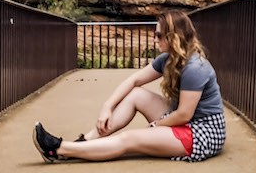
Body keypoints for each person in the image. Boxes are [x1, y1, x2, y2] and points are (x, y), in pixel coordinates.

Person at [33, 10, 226, 163]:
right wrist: (106, 107)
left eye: (159, 35)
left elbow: (184, 115)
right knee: (136, 94)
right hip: (185, 121)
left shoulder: (195, 67)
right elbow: (134, 80)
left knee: (129, 139)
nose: (155, 39)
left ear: (173, 37)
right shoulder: (169, 59)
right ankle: (86, 143)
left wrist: (156, 126)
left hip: (202, 133)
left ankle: (58, 149)